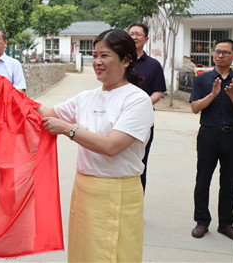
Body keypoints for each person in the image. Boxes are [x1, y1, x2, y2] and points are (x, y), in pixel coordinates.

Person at [35, 29, 154, 262]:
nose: (97, 62)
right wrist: (8, 96)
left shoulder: (136, 99)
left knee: (112, 253)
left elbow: (112, 146)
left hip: (116, 190)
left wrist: (68, 129)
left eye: (105, 56)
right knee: (84, 253)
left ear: (126, 60)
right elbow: (46, 113)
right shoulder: (86, 97)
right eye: (94, 55)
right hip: (85, 189)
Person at [189, 39, 233, 241]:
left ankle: (226, 224)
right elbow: (194, 108)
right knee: (203, 179)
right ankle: (201, 221)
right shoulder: (203, 79)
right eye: (217, 51)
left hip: (232, 135)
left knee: (229, 181)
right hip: (208, 133)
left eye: (225, 52)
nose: (220, 55)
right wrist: (212, 95)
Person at [127, 22, 167, 191]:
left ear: (146, 39)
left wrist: (140, 106)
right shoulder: (120, 61)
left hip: (143, 120)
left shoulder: (153, 65)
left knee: (140, 164)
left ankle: (136, 209)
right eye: (131, 34)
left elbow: (157, 92)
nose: (134, 37)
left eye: (138, 34)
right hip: (117, 117)